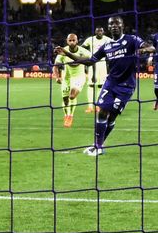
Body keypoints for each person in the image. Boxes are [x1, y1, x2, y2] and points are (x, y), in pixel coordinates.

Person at [55, 16, 155, 156]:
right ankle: (98, 146)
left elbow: (152, 47)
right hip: (111, 83)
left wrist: (143, 51)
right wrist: (66, 53)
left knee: (112, 117)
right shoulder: (106, 46)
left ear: (122, 26)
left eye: (117, 23)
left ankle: (98, 145)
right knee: (102, 112)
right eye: (111, 24)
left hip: (126, 86)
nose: (114, 25)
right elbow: (89, 61)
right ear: (109, 28)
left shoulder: (132, 40)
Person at [52, 33, 91, 128]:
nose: (72, 42)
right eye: (70, 40)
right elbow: (55, 66)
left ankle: (71, 116)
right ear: (67, 41)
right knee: (65, 100)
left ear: (77, 41)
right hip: (66, 78)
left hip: (79, 77)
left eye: (74, 40)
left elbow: (91, 61)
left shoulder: (84, 52)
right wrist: (57, 77)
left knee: (72, 96)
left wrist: (91, 75)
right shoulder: (62, 51)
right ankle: (66, 115)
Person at [81, 27, 112, 113]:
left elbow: (114, 44)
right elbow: (82, 47)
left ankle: (98, 106)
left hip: (102, 64)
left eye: (101, 30)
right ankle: (90, 106)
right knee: (91, 85)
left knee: (101, 86)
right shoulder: (90, 39)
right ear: (95, 31)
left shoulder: (107, 39)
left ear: (103, 31)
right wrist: (86, 56)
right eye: (98, 30)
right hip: (92, 63)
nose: (99, 32)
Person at [150, 32, 158, 110]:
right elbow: (153, 48)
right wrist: (150, 57)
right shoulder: (156, 36)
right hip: (157, 63)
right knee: (156, 87)